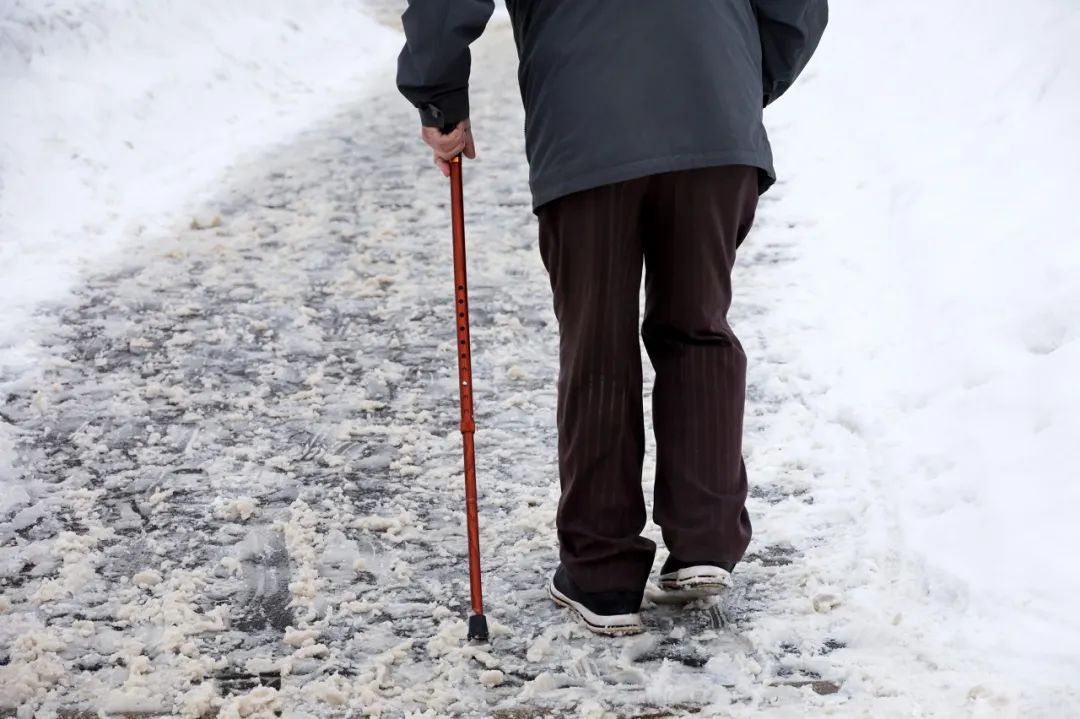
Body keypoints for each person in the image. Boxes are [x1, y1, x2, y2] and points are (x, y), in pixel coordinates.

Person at [397, 0, 827, 636]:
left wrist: (438, 97)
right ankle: (705, 542)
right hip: (715, 120)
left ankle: (603, 574)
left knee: (599, 342)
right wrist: (740, 81)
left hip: (585, 125)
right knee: (697, 326)